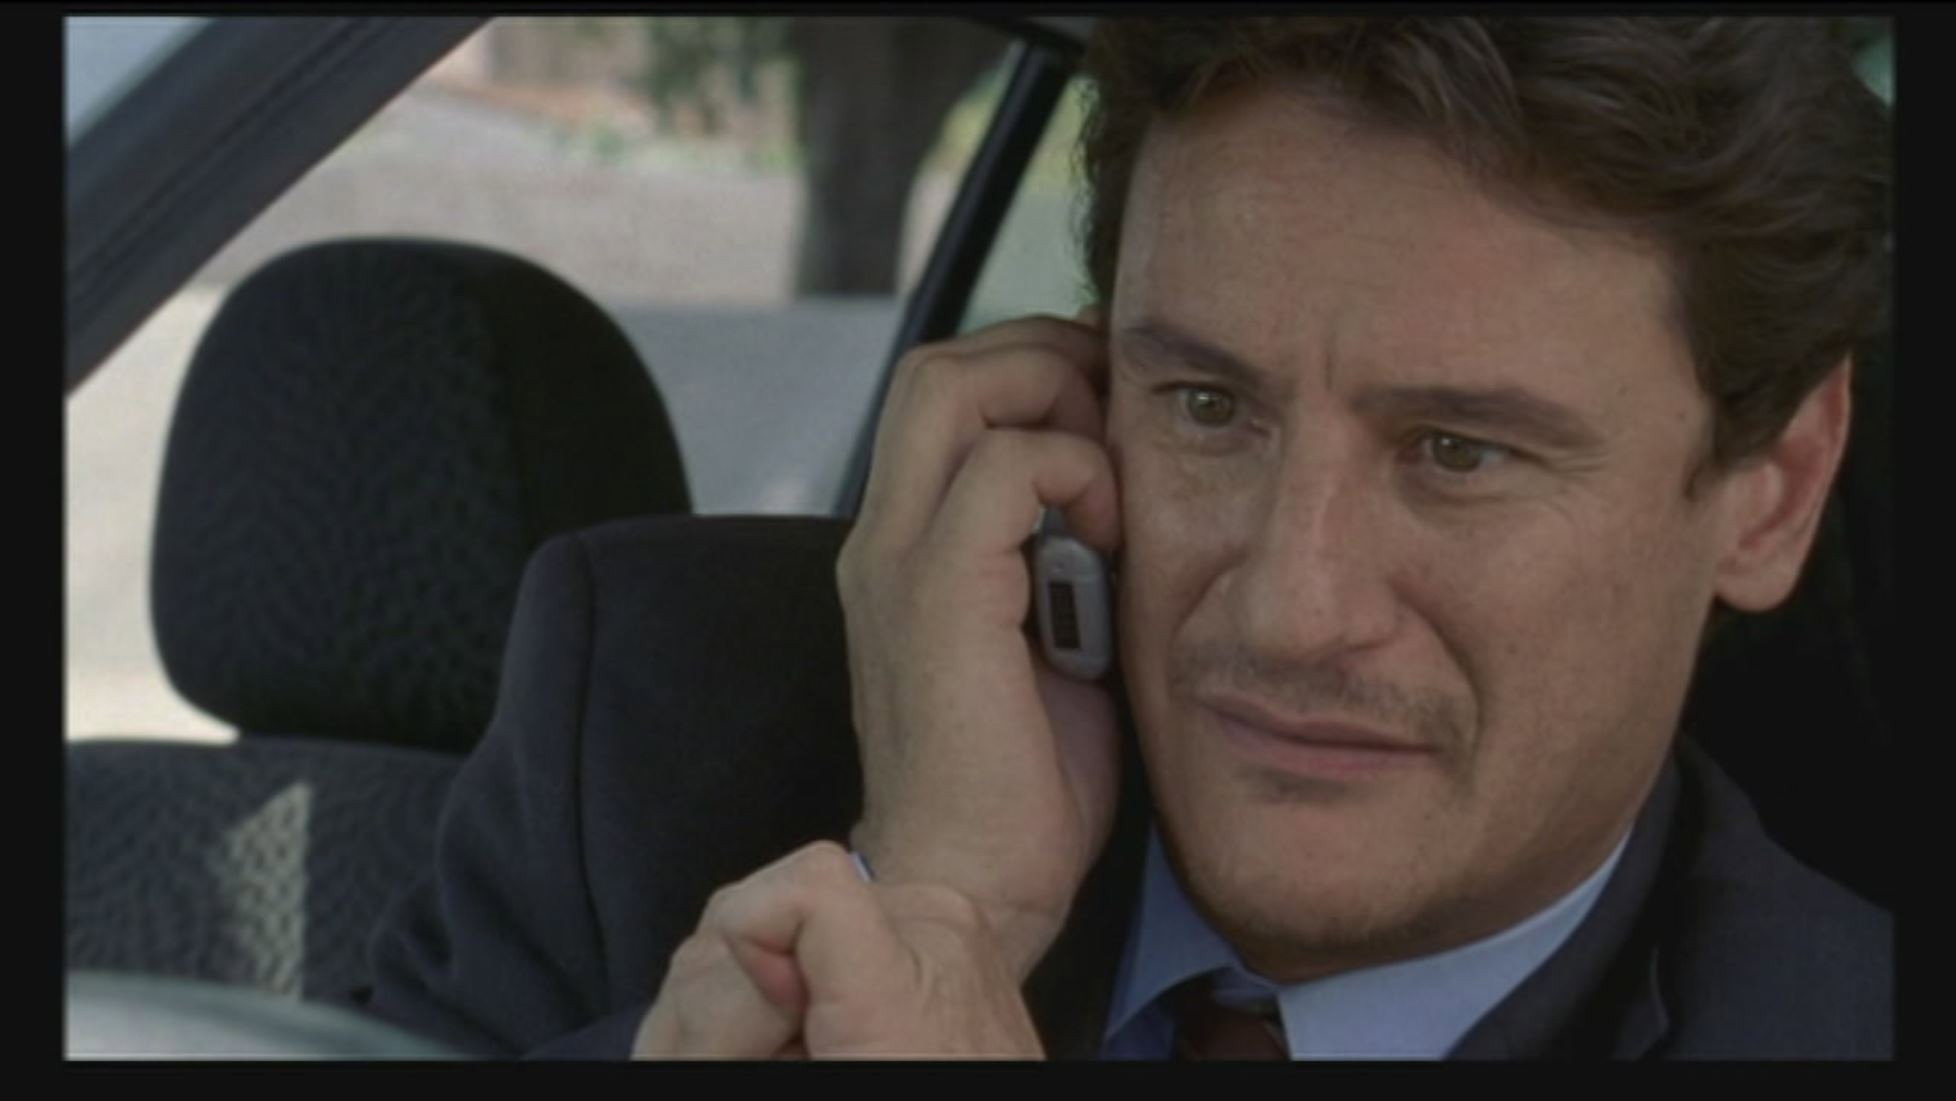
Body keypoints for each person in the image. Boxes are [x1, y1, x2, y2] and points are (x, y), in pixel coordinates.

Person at [356, 16, 1892, 1059]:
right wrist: (929, 899)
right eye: (1209, 408)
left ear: (1773, 487)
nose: (1290, 609)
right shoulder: (651, 733)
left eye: (1459, 452)